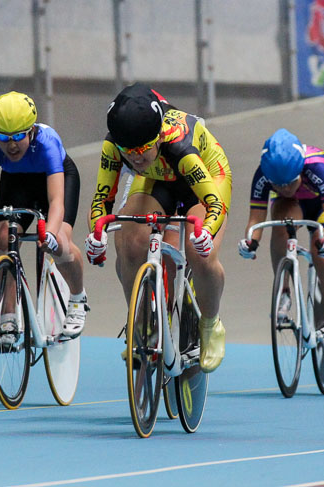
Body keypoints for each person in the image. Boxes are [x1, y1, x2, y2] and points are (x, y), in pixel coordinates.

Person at [84, 83, 231, 373]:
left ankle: (211, 322)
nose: (135, 158)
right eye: (128, 152)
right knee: (129, 241)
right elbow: (102, 201)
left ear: (157, 137)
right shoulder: (115, 146)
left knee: (199, 252)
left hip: (202, 176)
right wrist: (96, 234)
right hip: (156, 177)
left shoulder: (179, 145)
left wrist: (207, 232)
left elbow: (213, 205)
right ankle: (139, 322)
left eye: (142, 149)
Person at [0, 91, 88, 344]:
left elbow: (56, 202)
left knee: (59, 241)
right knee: (4, 239)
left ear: (31, 131)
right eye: (4, 138)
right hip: (17, 183)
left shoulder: (47, 143)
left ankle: (77, 297)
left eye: (18, 136)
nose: (12, 145)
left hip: (55, 179)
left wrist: (48, 234)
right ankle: (7, 315)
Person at [238, 128, 324, 358]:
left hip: (323, 207)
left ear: (300, 170)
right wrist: (250, 242)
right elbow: (255, 220)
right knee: (279, 223)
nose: (284, 189)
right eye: (278, 185)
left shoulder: (318, 167)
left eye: (290, 183)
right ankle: (285, 291)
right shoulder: (263, 174)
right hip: (292, 205)